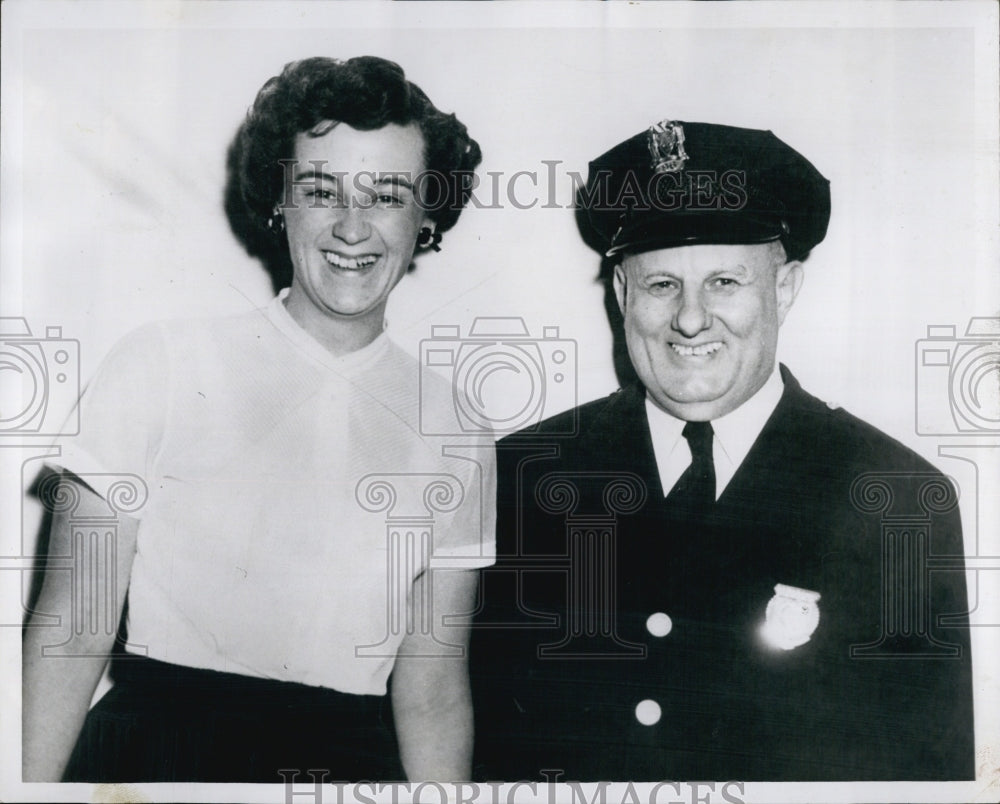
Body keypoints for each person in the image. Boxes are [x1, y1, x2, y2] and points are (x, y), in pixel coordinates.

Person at [22, 55, 493, 783]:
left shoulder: (457, 430)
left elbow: (431, 693)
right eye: (320, 189)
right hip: (155, 762)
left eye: (388, 195)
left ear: (428, 214)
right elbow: (70, 630)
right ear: (281, 199)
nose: (351, 226)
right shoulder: (160, 366)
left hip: (351, 773)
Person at [470, 120, 974, 781]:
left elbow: (925, 772)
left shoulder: (896, 500)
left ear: (785, 288)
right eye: (660, 285)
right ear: (622, 294)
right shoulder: (521, 478)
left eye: (725, 282)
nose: (689, 318)